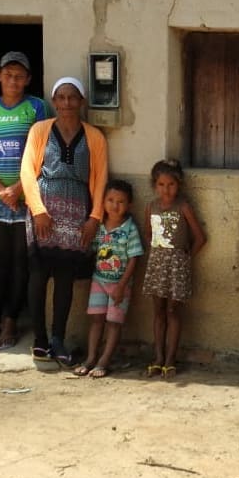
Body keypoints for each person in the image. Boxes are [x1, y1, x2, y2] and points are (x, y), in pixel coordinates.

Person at [20, 76, 108, 367]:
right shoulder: (40, 130)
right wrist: (38, 210)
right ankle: (40, 340)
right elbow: (27, 172)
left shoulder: (94, 136)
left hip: (76, 212)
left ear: (81, 102)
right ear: (54, 102)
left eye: (73, 98)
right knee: (38, 274)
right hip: (44, 209)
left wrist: (94, 217)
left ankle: (58, 339)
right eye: (61, 97)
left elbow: (100, 179)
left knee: (65, 277)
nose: (67, 103)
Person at [0, 52, 49, 351]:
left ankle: (11, 319)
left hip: (26, 198)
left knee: (20, 262)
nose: (13, 79)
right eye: (8, 74)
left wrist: (18, 188)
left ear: (28, 79)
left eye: (19, 75)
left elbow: (43, 153)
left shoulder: (37, 107)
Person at [143, 159, 206, 379]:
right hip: (157, 264)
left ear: (178, 185)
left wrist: (185, 257)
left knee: (173, 312)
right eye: (161, 185)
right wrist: (158, 253)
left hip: (177, 265)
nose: (166, 189)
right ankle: (158, 358)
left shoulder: (183, 207)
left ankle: (170, 360)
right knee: (158, 312)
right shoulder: (151, 207)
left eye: (170, 184)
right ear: (154, 185)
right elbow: (149, 234)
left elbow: (200, 238)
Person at [74, 179, 143, 378]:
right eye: (110, 200)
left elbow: (133, 259)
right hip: (98, 281)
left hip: (120, 285)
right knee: (96, 320)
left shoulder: (130, 229)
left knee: (113, 323)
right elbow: (93, 250)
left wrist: (122, 286)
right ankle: (90, 358)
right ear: (102, 202)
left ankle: (104, 360)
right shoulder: (100, 227)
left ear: (129, 205)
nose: (115, 205)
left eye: (120, 201)